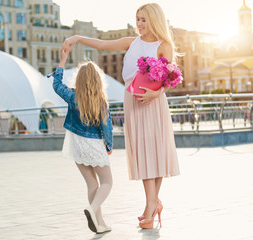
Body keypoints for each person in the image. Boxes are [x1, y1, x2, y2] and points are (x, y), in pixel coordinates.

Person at [61, 3, 180, 229]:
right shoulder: (131, 42)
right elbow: (102, 44)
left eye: (144, 19)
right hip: (132, 102)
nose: (139, 24)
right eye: (138, 19)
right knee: (144, 154)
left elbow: (170, 77)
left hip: (153, 103)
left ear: (154, 20)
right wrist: (77, 37)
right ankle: (153, 204)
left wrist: (156, 92)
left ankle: (151, 206)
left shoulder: (164, 45)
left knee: (156, 152)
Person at [51, 47, 114, 234]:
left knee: (92, 184)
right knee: (107, 182)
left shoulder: (73, 96)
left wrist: (62, 61)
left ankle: (99, 223)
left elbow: (56, 86)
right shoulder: (101, 100)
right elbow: (106, 127)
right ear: (98, 80)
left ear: (79, 79)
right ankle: (92, 210)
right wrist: (109, 145)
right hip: (94, 145)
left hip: (76, 144)